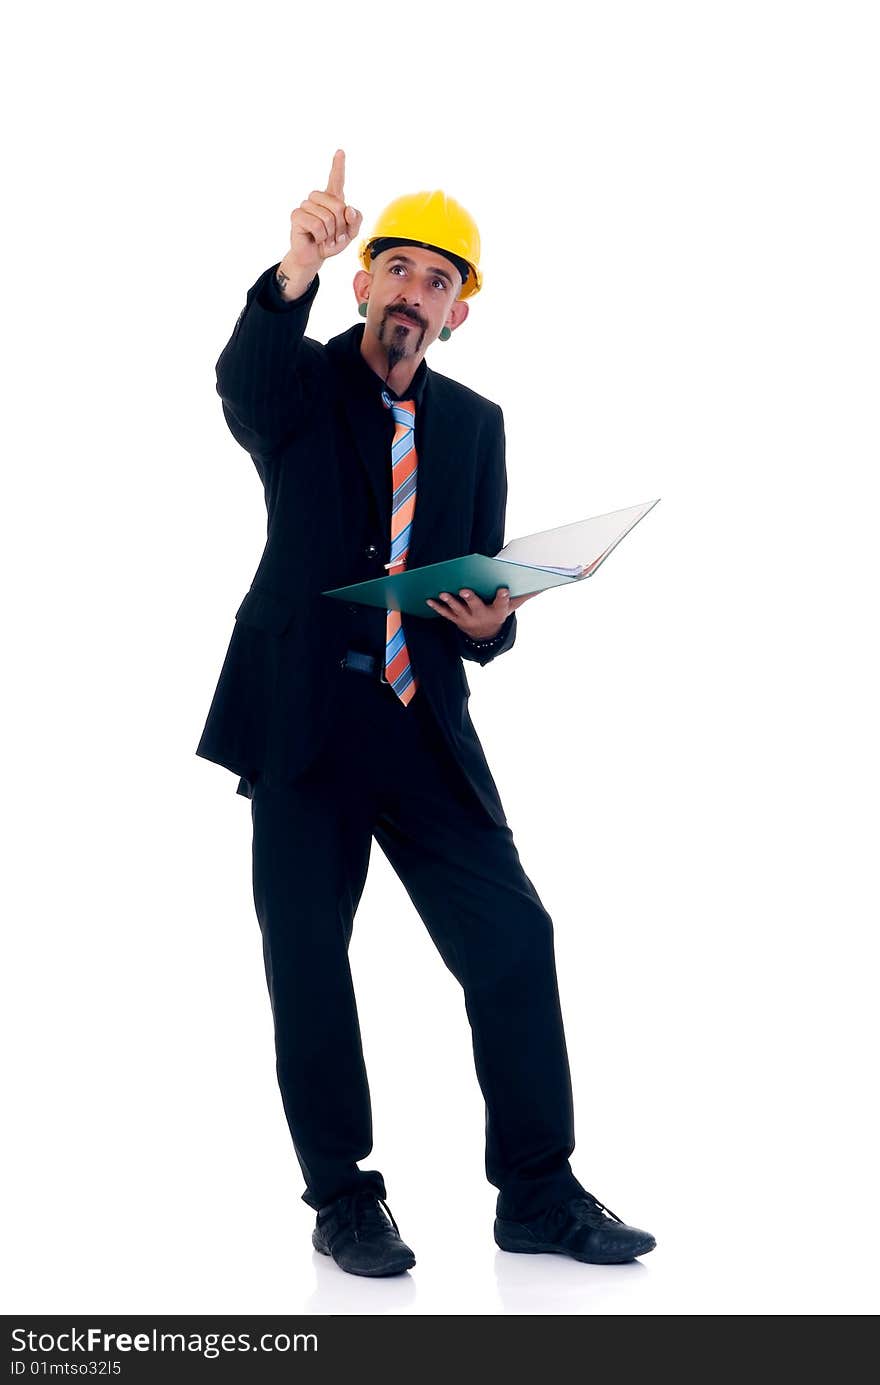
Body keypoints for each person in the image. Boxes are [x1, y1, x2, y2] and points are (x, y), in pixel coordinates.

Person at [196, 150, 656, 1277]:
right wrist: (292, 264)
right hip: (304, 723)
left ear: (458, 312)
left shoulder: (476, 423)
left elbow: (479, 592)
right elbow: (242, 382)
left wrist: (494, 623)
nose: (413, 291)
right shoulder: (299, 388)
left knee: (513, 938)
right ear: (361, 287)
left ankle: (537, 1191)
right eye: (394, 269)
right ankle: (345, 1197)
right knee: (307, 955)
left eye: (437, 282)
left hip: (420, 724)